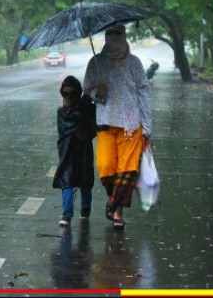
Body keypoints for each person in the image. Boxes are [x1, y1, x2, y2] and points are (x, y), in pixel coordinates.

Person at [83, 24, 152, 230]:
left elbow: (144, 93)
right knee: (106, 167)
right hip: (105, 123)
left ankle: (117, 211)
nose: (113, 37)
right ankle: (113, 199)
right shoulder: (96, 63)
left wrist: (147, 127)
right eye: (109, 33)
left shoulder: (134, 63)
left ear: (124, 35)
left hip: (131, 125)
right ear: (105, 36)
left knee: (127, 170)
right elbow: (87, 89)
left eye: (117, 33)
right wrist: (97, 92)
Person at [53, 75, 96, 227]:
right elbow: (74, 122)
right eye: (65, 93)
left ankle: (86, 207)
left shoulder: (88, 109)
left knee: (85, 181)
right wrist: (83, 105)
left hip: (84, 151)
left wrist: (85, 104)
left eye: (73, 93)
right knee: (67, 181)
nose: (69, 97)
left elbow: (89, 130)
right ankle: (67, 214)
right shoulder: (62, 113)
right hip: (67, 152)